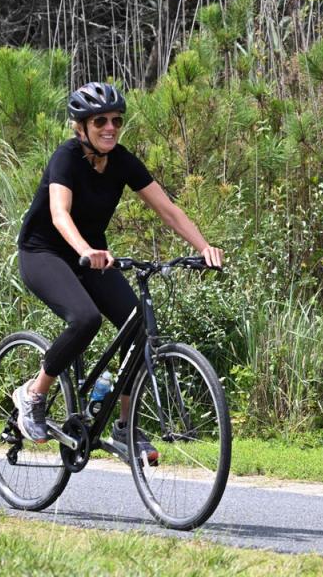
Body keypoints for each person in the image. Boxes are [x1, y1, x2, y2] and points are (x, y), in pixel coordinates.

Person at [13, 81, 224, 463]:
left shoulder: (122, 161)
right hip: (44, 252)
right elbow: (59, 214)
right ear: (81, 127)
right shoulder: (66, 159)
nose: (110, 128)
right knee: (85, 318)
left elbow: (168, 210)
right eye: (100, 122)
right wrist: (85, 250)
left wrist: (203, 246)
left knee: (136, 324)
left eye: (116, 121)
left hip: (93, 256)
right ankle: (33, 394)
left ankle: (125, 428)